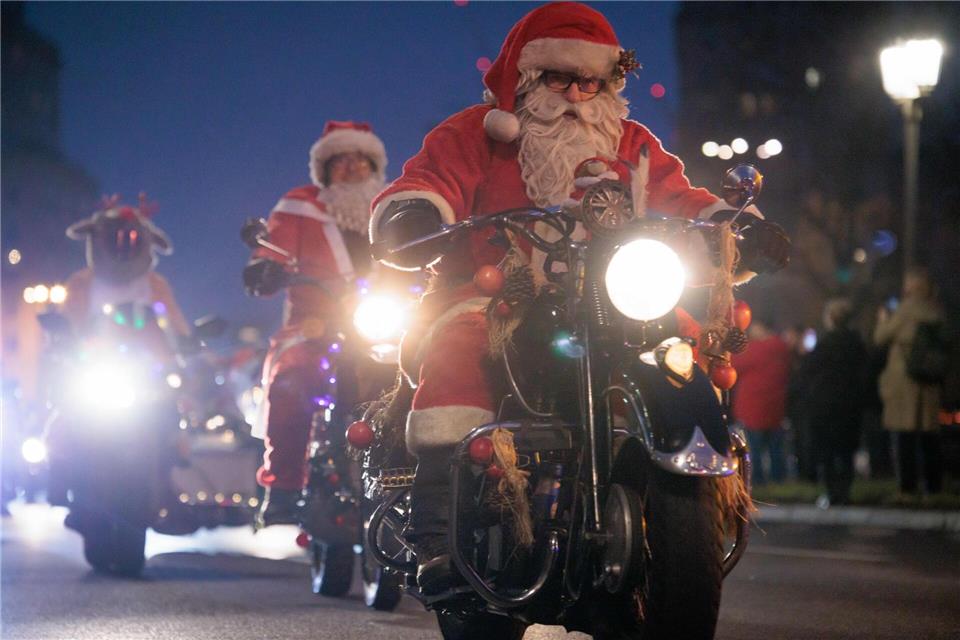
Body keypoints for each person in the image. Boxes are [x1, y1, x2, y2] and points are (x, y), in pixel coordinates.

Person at [370, 1, 789, 593]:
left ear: (609, 82)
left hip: (614, 296)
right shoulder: (477, 133)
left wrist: (733, 228)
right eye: (559, 78)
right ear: (526, 78)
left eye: (590, 81)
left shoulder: (631, 142)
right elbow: (429, 180)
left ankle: (679, 498)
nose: (576, 93)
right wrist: (414, 213)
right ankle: (437, 535)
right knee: (459, 350)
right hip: (501, 295)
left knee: (682, 347)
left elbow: (680, 198)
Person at [243, 120, 388, 525]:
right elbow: (275, 247)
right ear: (323, 170)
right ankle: (284, 487)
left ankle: (429, 487)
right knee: (292, 379)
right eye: (340, 161)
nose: (351, 168)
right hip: (315, 326)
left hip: (384, 324)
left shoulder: (391, 208)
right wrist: (265, 267)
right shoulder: (299, 205)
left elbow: (419, 250)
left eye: (361, 161)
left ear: (374, 168)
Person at [63, 196, 190, 340]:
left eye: (131, 239)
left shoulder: (156, 286)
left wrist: (187, 342)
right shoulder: (80, 284)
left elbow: (174, 320)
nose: (123, 247)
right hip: (96, 349)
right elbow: (67, 323)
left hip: (148, 350)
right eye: (115, 239)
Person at [874, 267, 945, 495]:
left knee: (904, 436)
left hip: (904, 380)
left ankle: (908, 487)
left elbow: (881, 337)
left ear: (912, 285)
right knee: (929, 437)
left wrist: (883, 320)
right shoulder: (936, 310)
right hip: (929, 380)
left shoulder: (906, 310)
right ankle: (934, 486)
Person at [801, 298, 868, 505]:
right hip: (851, 403)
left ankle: (831, 492)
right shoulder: (857, 344)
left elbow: (808, 370)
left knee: (827, 451)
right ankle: (845, 492)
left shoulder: (825, 344)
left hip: (826, 404)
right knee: (847, 451)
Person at [731, 316, 792, 487]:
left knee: (755, 448)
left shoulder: (754, 349)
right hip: (776, 406)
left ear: (761, 328)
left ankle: (758, 480)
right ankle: (779, 479)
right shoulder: (783, 348)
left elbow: (734, 363)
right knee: (775, 447)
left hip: (754, 407)